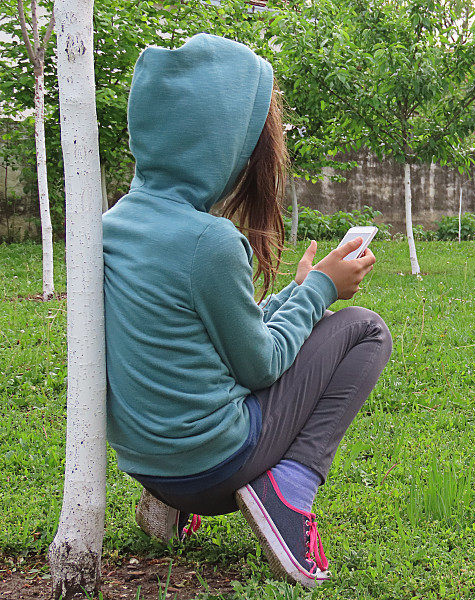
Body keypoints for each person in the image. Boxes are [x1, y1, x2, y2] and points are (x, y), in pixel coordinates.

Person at [102, 33, 392, 588]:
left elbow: (206, 335)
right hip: (213, 467)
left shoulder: (116, 224)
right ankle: (289, 491)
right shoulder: (208, 242)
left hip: (147, 465)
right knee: (364, 330)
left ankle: (165, 509)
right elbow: (259, 366)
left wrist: (297, 290)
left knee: (318, 318)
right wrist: (324, 292)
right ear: (224, 145)